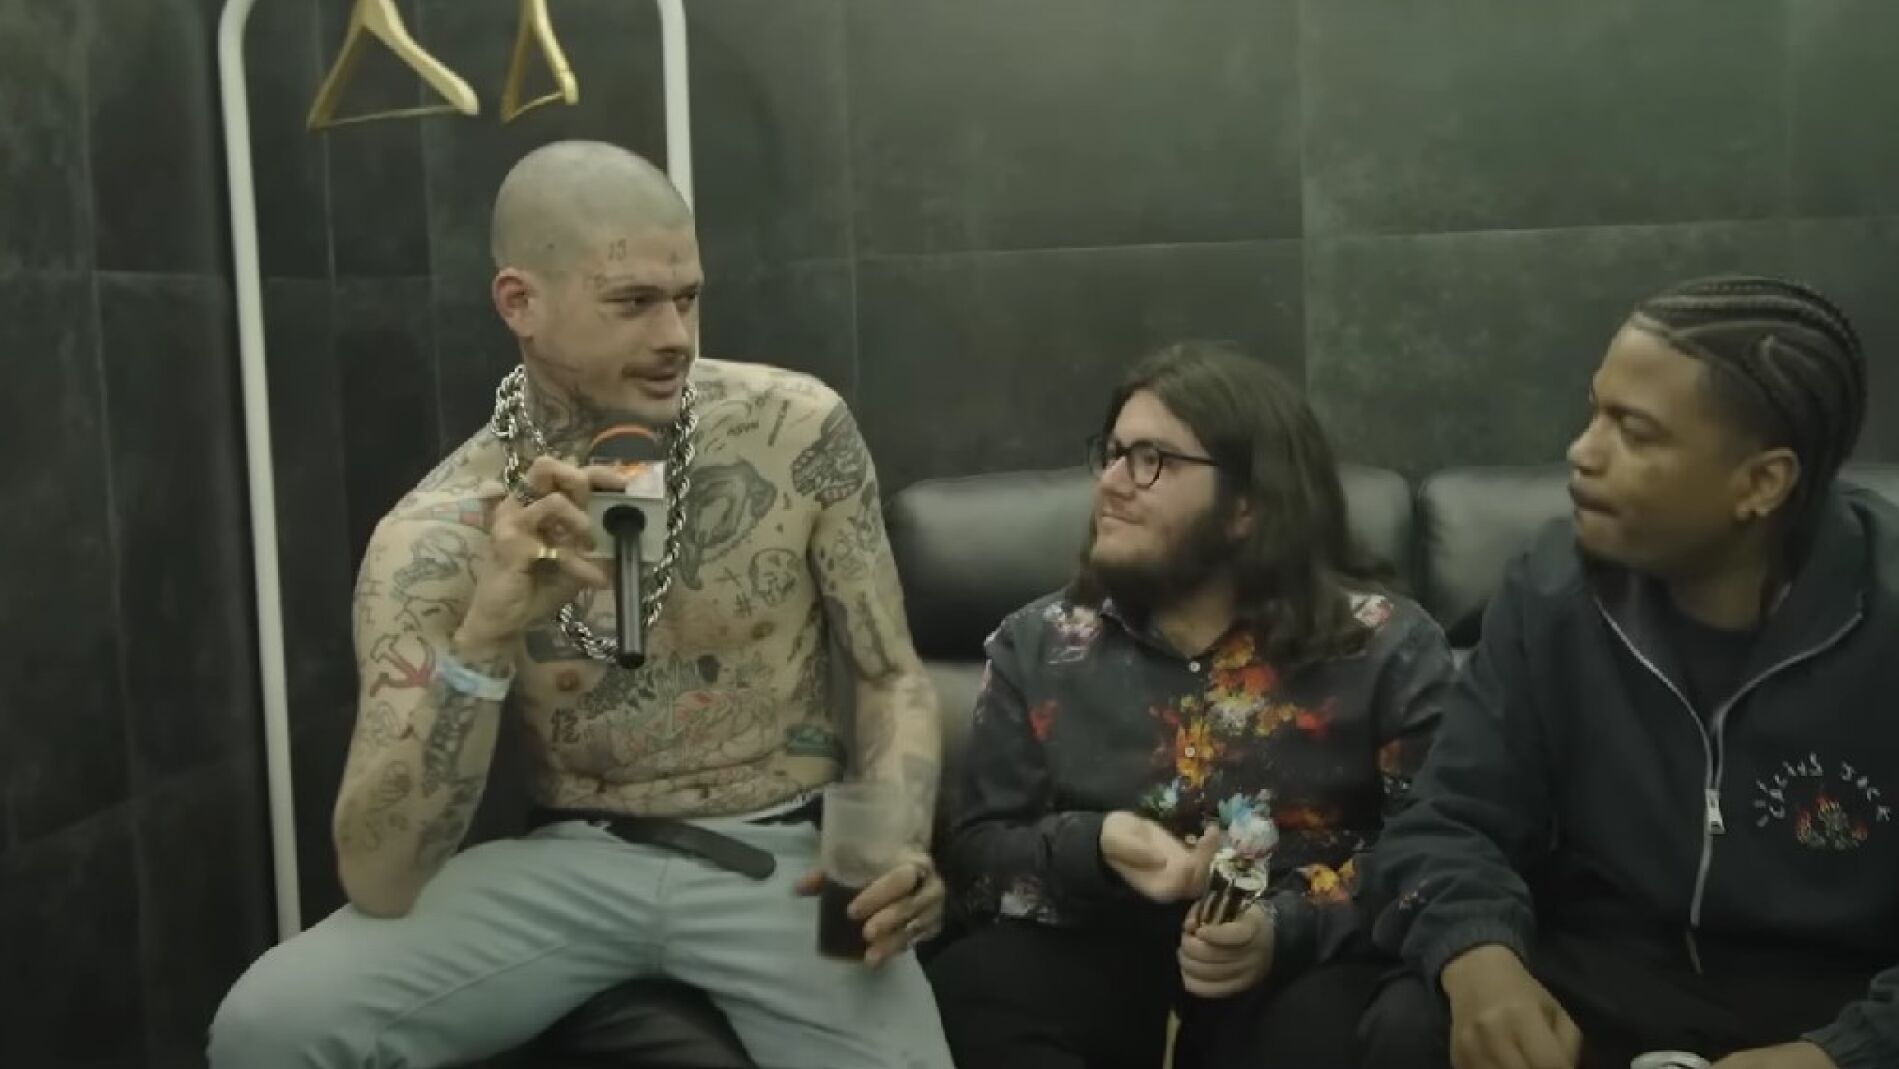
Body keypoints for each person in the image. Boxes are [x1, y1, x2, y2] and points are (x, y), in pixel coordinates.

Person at [207, 140, 953, 1069]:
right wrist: (488, 630)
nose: (675, 334)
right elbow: (380, 878)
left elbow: (889, 674)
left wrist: (893, 846)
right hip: (573, 859)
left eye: (686, 296)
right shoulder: (438, 531)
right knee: (270, 1024)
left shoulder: (794, 431)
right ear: (519, 302)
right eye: (632, 302)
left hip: (786, 860)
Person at [1359, 275, 1899, 1069]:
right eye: (1593, 412)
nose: (1581, 451)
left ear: (1760, 482)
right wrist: (1478, 960)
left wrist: (1837, 1055)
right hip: (1603, 970)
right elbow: (1448, 819)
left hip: (1836, 995)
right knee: (1410, 1025)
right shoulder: (1549, 590)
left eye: (1633, 431)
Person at [926, 341, 1456, 1069]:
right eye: (1113, 453)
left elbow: (1433, 853)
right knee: (971, 985)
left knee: (1349, 1025)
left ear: (1246, 505)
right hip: (1095, 950)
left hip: (1293, 964)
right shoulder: (1039, 644)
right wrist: (1095, 845)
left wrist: (1283, 928)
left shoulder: (1384, 648)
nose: (1113, 482)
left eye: (1153, 459)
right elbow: (976, 856)